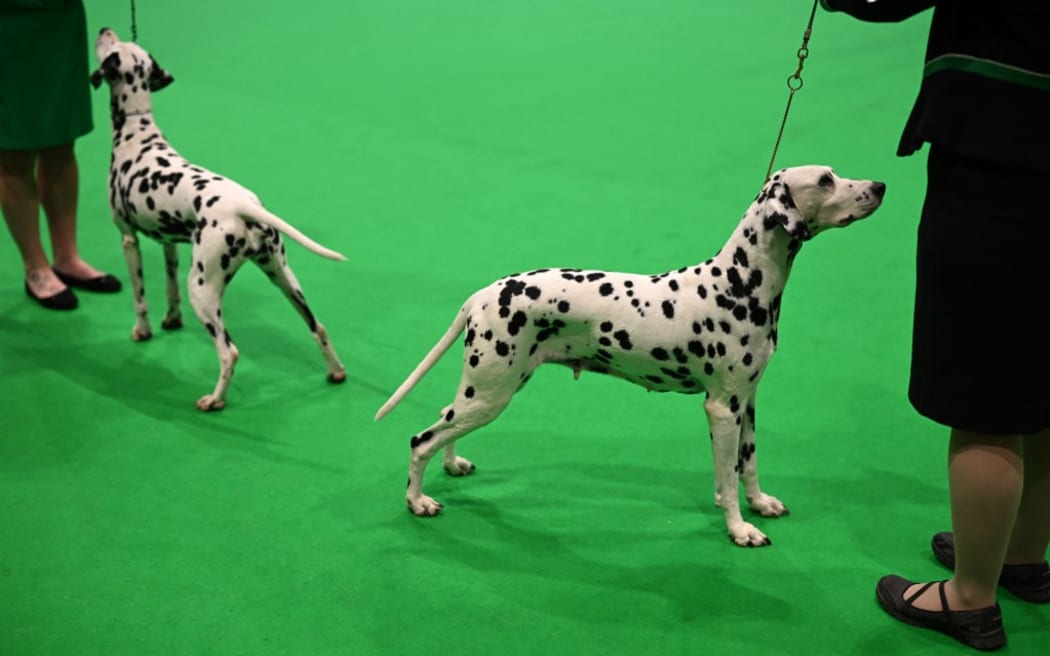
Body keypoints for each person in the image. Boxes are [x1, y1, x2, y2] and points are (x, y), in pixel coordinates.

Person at [819, 0, 1050, 650]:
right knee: (1043, 371)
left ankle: (971, 596)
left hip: (1003, 149)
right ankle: (1023, 556)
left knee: (983, 395)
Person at [0, 0, 121, 311]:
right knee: (15, 147)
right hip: (9, 21)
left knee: (61, 140)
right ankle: (36, 267)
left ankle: (67, 258)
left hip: (61, 15)